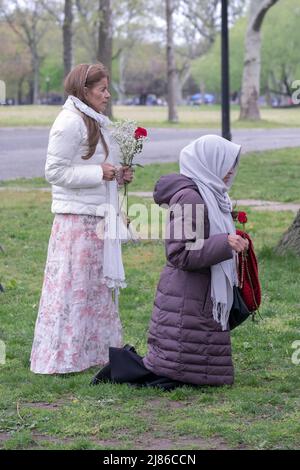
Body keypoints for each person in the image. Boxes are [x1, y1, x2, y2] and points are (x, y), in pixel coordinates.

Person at [92, 135, 248, 390]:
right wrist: (224, 243)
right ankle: (122, 366)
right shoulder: (191, 198)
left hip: (196, 293)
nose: (231, 171)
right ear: (209, 163)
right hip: (188, 293)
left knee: (188, 366)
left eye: (233, 164)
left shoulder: (212, 195)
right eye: (226, 163)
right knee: (171, 370)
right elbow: (180, 253)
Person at [30, 63, 133, 374]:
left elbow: (98, 167)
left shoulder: (94, 121)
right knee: (72, 288)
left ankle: (95, 352)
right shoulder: (69, 122)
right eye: (102, 89)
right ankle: (64, 356)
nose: (107, 94)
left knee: (93, 290)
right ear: (84, 91)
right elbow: (54, 172)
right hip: (75, 220)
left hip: (95, 216)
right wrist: (98, 173)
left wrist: (116, 175)